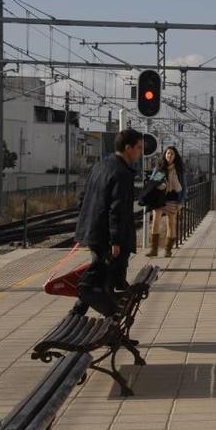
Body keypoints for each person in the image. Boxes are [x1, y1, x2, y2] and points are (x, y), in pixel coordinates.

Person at [73, 128, 143, 316]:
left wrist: (88, 221)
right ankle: (111, 322)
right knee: (103, 280)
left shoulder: (100, 165)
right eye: (138, 147)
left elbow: (82, 198)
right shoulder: (122, 173)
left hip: (95, 231)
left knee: (100, 276)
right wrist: (116, 241)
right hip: (106, 237)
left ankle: (79, 313)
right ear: (128, 148)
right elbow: (117, 210)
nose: (140, 151)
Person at [145, 146, 187, 258]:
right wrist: (159, 184)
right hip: (159, 198)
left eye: (172, 154)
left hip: (173, 198)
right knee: (155, 222)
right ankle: (154, 250)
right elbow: (152, 183)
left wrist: (181, 202)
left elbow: (184, 187)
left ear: (175, 156)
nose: (170, 155)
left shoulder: (179, 170)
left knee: (171, 223)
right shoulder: (160, 168)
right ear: (164, 155)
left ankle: (168, 250)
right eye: (168, 153)